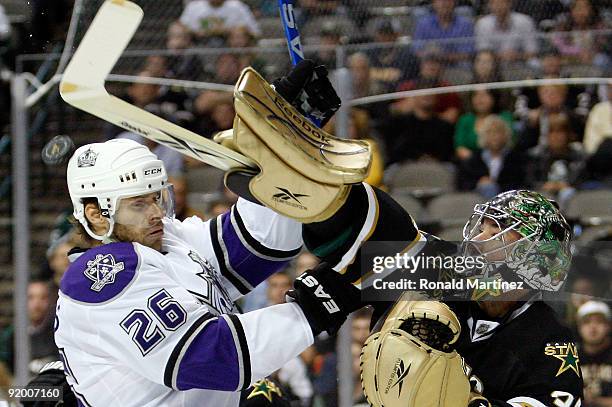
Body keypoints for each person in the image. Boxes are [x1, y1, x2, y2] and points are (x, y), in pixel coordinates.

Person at [52, 63, 363, 406]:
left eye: (156, 197)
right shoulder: (99, 279)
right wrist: (313, 308)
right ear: (96, 215)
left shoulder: (167, 239)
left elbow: (261, 245)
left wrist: (284, 143)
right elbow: (212, 357)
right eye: (139, 204)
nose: (156, 211)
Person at [0, 279, 59, 378]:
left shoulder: (60, 333)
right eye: (30, 298)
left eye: (43, 298)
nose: (37, 304)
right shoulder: (11, 335)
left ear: (51, 301)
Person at [457, 115, 526, 197]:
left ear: (506, 135)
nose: (495, 136)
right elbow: (462, 182)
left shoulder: (515, 158)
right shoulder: (475, 159)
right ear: (484, 135)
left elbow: (521, 183)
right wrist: (479, 182)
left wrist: (496, 185)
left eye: (499, 132)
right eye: (490, 132)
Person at [454, 88, 514, 161]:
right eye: (476, 95)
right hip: (472, 162)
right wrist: (478, 161)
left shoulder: (505, 117)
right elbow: (460, 147)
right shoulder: (465, 119)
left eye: (484, 95)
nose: (480, 99)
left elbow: (511, 143)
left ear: (493, 97)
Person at [412, 0, 475, 65]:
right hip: (431, 66)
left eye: (448, 0)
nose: (444, 3)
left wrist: (440, 56)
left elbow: (467, 54)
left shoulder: (465, 24)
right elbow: (417, 51)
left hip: (457, 67)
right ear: (434, 4)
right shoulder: (423, 24)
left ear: (454, 3)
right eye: (440, 0)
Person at [577, 301, 612, 407]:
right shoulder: (569, 356)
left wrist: (596, 401)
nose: (593, 327)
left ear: (608, 326)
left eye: (599, 322)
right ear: (579, 327)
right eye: (587, 322)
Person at [179, 0, 260, 45]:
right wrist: (198, 32)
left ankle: (242, 72)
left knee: (239, 35)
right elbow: (180, 27)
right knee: (178, 35)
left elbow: (255, 32)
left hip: (229, 45)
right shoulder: (194, 6)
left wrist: (231, 31)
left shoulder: (237, 6)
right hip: (198, 42)